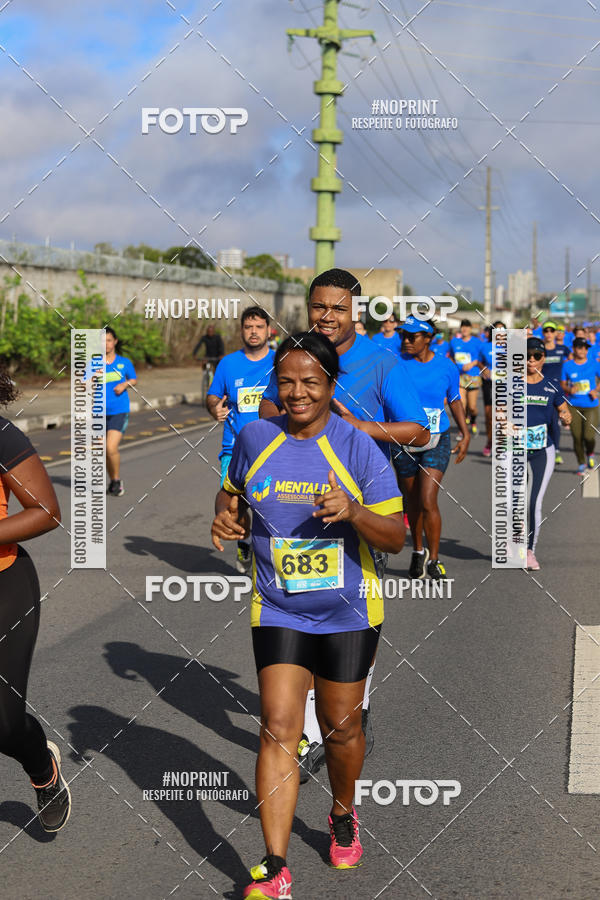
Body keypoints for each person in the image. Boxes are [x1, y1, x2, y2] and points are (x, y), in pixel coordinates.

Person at [211, 333, 405, 898]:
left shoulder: (358, 447)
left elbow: (396, 536)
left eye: (311, 382)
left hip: (348, 609)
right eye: (287, 381)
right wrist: (224, 521)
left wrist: (354, 512)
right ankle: (274, 867)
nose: (297, 393)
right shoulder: (254, 437)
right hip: (277, 605)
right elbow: (230, 497)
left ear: (330, 384)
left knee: (342, 728)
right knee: (277, 726)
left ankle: (343, 812)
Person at [258, 268, 429, 778]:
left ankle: (348, 711)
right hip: (297, 508)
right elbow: (271, 407)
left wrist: (358, 427)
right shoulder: (297, 354)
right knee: (300, 608)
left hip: (363, 509)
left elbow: (419, 429)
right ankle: (310, 731)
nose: (326, 316)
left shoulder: (380, 362)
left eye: (337, 308)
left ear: (356, 310)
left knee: (349, 612)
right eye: (318, 307)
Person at [0, 366, 71, 831]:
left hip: (4, 583)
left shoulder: (1, 434)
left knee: (4, 726)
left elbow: (46, 511)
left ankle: (42, 770)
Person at [393, 316, 469, 579]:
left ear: (428, 339)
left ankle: (434, 559)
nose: (405, 341)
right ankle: (417, 550)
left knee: (427, 499)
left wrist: (466, 432)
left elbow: (455, 399)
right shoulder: (395, 363)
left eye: (411, 337)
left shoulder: (446, 366)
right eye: (403, 335)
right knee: (411, 501)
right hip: (404, 439)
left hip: (437, 437)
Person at [206, 306, 275, 572]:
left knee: (269, 503)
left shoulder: (280, 360)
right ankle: (244, 541)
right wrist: (215, 407)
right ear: (242, 331)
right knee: (236, 502)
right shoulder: (228, 364)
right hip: (234, 447)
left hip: (272, 446)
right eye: (248, 327)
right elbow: (213, 395)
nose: (254, 332)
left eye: (259, 326)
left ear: (268, 330)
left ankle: (271, 554)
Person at [524, 339, 572, 569]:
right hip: (514, 451)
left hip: (543, 450)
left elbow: (563, 409)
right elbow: (500, 412)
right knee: (514, 502)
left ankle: (530, 551)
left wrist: (566, 417)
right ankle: (515, 544)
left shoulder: (552, 385)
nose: (531, 359)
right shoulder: (510, 384)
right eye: (527, 355)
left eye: (536, 355)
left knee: (534, 501)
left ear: (544, 358)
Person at [89, 327, 137, 497]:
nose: (106, 344)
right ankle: (113, 479)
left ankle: (116, 480)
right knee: (103, 449)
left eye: (109, 340)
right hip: (99, 411)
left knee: (110, 447)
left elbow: (133, 379)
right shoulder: (94, 363)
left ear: (115, 341)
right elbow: (83, 384)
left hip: (119, 409)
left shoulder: (124, 362)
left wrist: (124, 384)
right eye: (103, 341)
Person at [560, 337, 600, 473]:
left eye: (585, 348)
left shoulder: (594, 364)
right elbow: (563, 384)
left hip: (591, 405)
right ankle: (581, 463)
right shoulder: (567, 365)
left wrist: (596, 390)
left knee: (588, 436)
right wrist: (569, 389)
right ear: (574, 349)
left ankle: (590, 453)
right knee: (577, 436)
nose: (582, 350)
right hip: (573, 405)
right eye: (579, 347)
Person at [541, 320, 569, 464]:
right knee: (543, 422)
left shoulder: (562, 348)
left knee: (554, 421)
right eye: (546, 331)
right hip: (541, 389)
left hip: (557, 391)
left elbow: (572, 362)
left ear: (556, 333)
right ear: (543, 333)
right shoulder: (539, 350)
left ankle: (556, 450)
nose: (549, 333)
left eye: (552, 331)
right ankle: (543, 450)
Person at [449, 319, 482, 435]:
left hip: (473, 376)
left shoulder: (477, 342)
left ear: (470, 329)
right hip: (460, 377)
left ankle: (472, 420)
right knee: (462, 404)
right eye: (463, 327)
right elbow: (451, 357)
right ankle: (462, 430)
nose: (465, 329)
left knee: (472, 407)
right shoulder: (454, 342)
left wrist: (472, 364)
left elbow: (481, 360)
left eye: (467, 327)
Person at [478, 321, 506, 457]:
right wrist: (483, 369)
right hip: (489, 383)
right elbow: (478, 361)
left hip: (505, 384)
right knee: (489, 416)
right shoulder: (485, 346)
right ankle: (490, 442)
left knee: (501, 416)